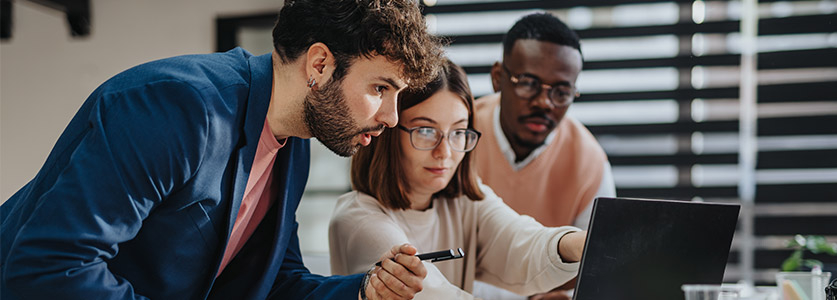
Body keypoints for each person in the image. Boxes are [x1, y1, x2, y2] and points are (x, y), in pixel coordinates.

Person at [0, 0, 445, 299]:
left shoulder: (294, 146)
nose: (391, 116)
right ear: (320, 65)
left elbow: (276, 283)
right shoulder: (180, 108)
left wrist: (365, 290)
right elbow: (52, 268)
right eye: (381, 88)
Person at [328, 59, 587, 300]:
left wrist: (581, 243)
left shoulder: (464, 203)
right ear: (389, 132)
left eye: (459, 132)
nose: (445, 152)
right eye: (427, 131)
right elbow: (432, 294)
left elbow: (521, 241)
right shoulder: (358, 219)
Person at [470, 13, 616, 300]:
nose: (543, 103)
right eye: (527, 83)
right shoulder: (456, 137)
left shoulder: (589, 160)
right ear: (498, 78)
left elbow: (600, 268)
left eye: (561, 92)